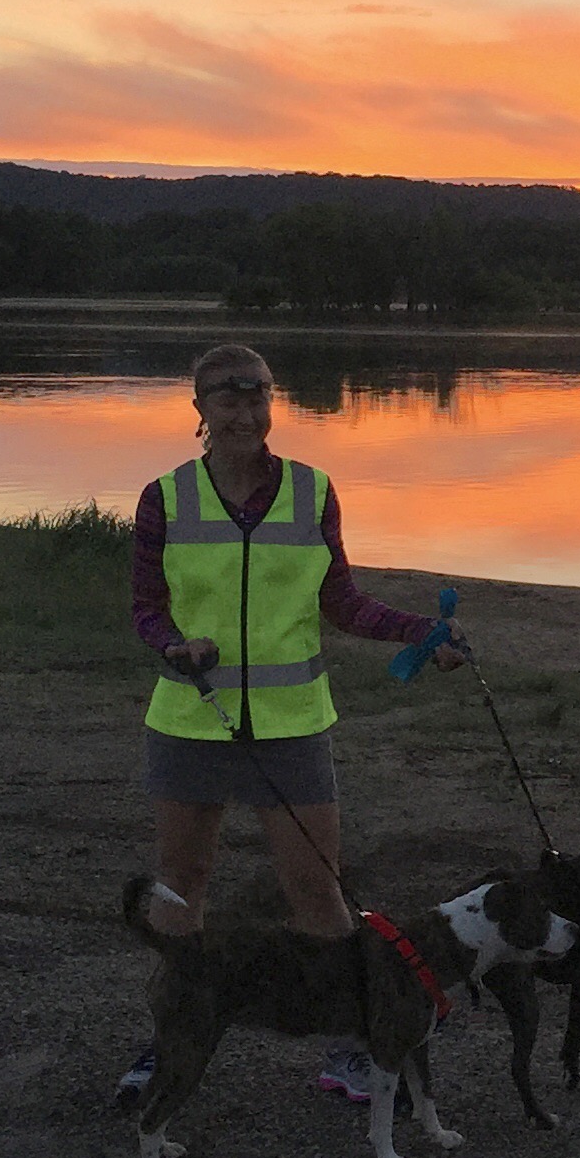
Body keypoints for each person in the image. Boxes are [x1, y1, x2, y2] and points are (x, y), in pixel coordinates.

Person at [116, 342, 459, 1106]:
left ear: (272, 403)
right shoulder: (164, 498)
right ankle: (169, 1040)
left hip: (292, 725)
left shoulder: (313, 491)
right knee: (182, 886)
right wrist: (171, 645)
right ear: (199, 410)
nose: (245, 415)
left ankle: (351, 1048)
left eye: (258, 399)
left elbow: (342, 601)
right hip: (191, 721)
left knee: (316, 889)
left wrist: (420, 632)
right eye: (228, 401)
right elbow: (146, 608)